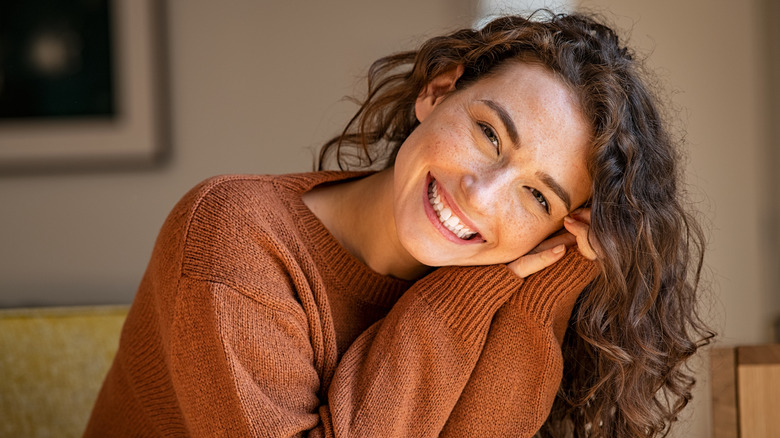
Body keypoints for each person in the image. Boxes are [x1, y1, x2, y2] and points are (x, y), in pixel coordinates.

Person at [85, 10, 712, 437]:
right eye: (489, 133)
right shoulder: (235, 237)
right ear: (437, 93)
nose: (481, 194)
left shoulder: (508, 289)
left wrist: (541, 292)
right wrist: (463, 295)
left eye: (537, 198)